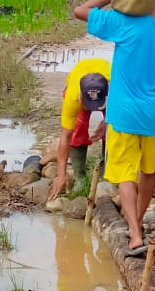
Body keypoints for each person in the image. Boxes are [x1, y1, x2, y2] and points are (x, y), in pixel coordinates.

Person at [74, 0, 155, 257]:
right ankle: (136, 221)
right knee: (148, 171)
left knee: (125, 173)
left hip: (123, 114)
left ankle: (134, 234)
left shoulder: (124, 24)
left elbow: (80, 10)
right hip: (153, 116)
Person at [47, 57, 111, 202]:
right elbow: (66, 136)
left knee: (113, 132)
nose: (91, 108)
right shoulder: (73, 96)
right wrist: (61, 175)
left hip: (108, 90)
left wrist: (107, 122)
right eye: (88, 103)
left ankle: (106, 174)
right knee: (77, 130)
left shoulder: (116, 90)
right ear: (81, 95)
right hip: (79, 79)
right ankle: (80, 177)